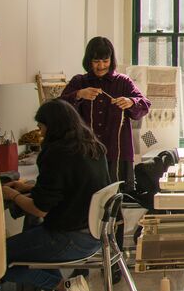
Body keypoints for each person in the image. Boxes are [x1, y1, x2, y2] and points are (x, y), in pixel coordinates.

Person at [1, 99, 111, 291]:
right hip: (95, 236)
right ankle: (67, 289)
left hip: (69, 239)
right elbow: (69, 189)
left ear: (53, 126)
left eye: (41, 128)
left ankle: (62, 287)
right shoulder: (93, 148)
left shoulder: (57, 154)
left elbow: (40, 210)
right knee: (24, 244)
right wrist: (27, 188)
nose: (40, 134)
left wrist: (12, 194)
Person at [60, 37, 150, 188]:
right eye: (96, 61)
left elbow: (145, 105)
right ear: (89, 60)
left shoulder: (123, 82)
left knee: (118, 199)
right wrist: (79, 95)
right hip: (86, 154)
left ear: (111, 60)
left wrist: (131, 102)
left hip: (118, 154)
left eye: (105, 61)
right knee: (89, 199)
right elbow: (59, 108)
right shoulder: (79, 82)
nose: (101, 66)